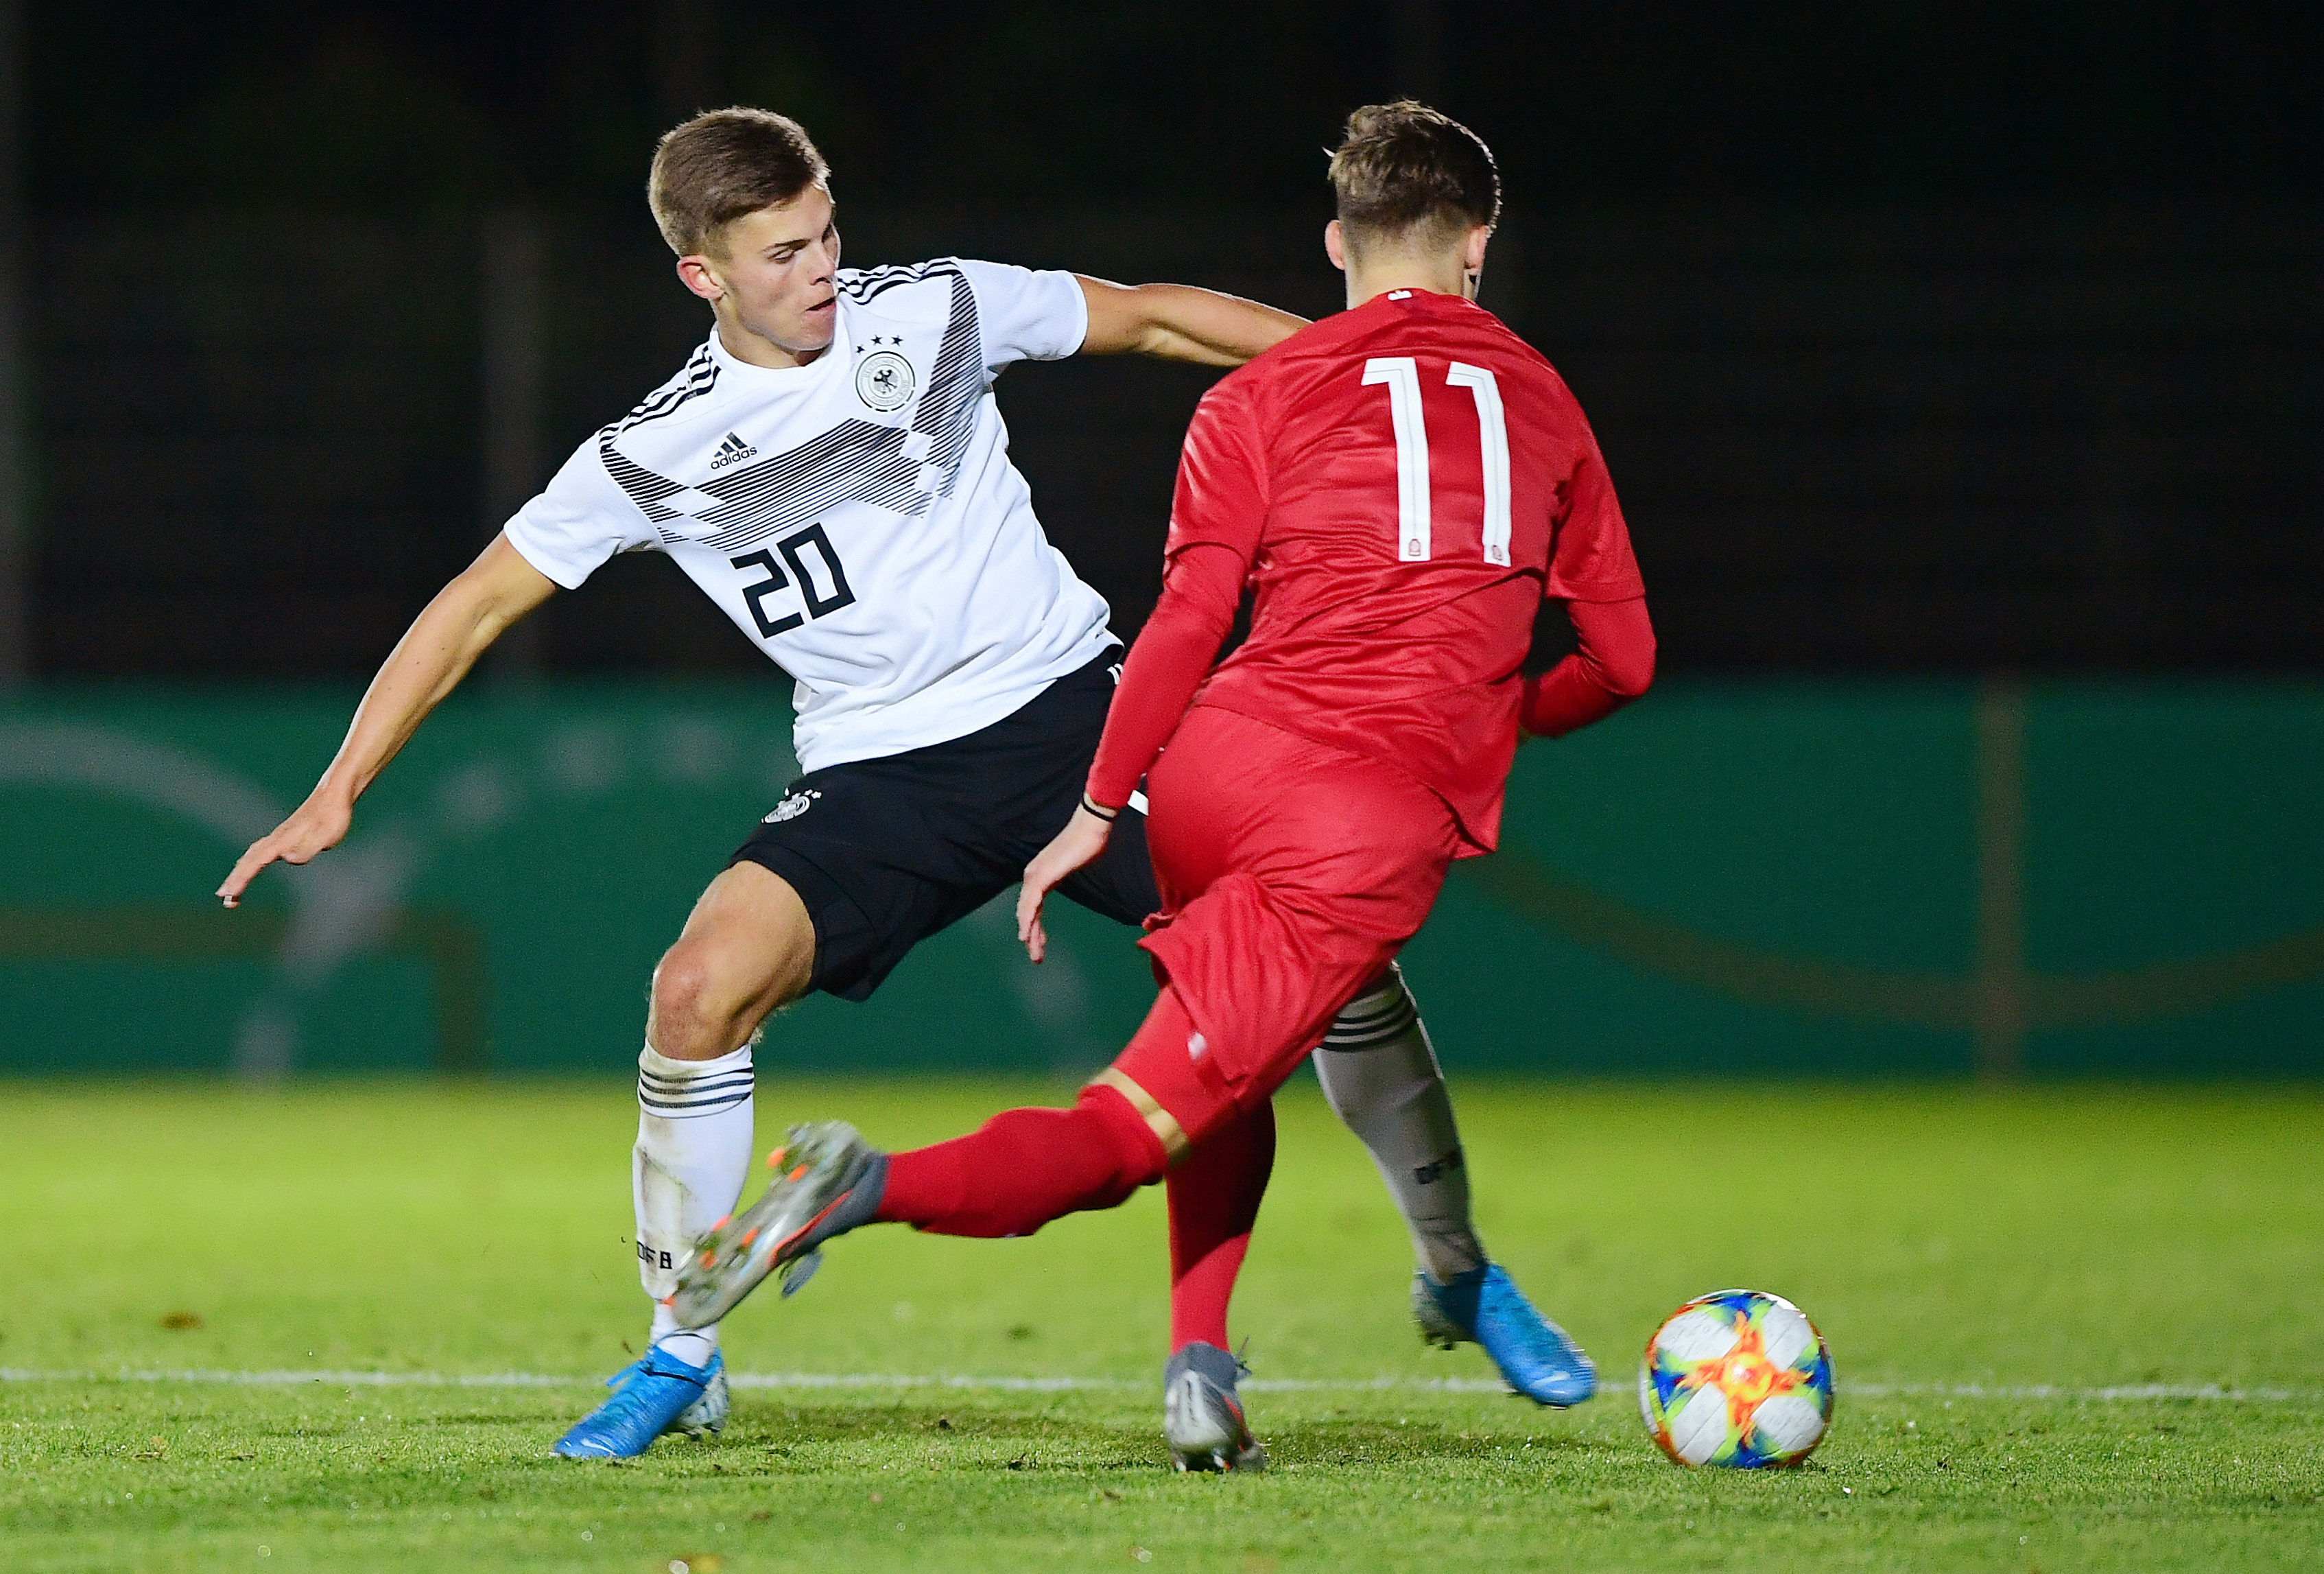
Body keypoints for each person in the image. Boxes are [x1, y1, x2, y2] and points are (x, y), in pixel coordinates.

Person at [215, 107, 1572, 1459]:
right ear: (701, 273)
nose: (821, 269)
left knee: (1336, 966)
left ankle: (1454, 1266)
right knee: (694, 990)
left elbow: (1156, 318)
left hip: (1069, 720)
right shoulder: (650, 451)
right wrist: (341, 785)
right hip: (879, 771)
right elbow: (472, 605)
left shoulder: (931, 312)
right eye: (783, 254)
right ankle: (681, 1352)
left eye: (826, 234)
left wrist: (1392, 365)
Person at [666, 99, 1657, 1472]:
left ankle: (1245, 1346)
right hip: (1346, 825)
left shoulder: (1255, 395)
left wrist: (1099, 803)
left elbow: (1188, 623)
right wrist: (1506, 715)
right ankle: (865, 1188)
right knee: (1137, 1121)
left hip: (1205, 763)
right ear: (1480, 239)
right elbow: (1623, 658)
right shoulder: (1539, 398)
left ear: (1333, 238)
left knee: (1268, 1029)